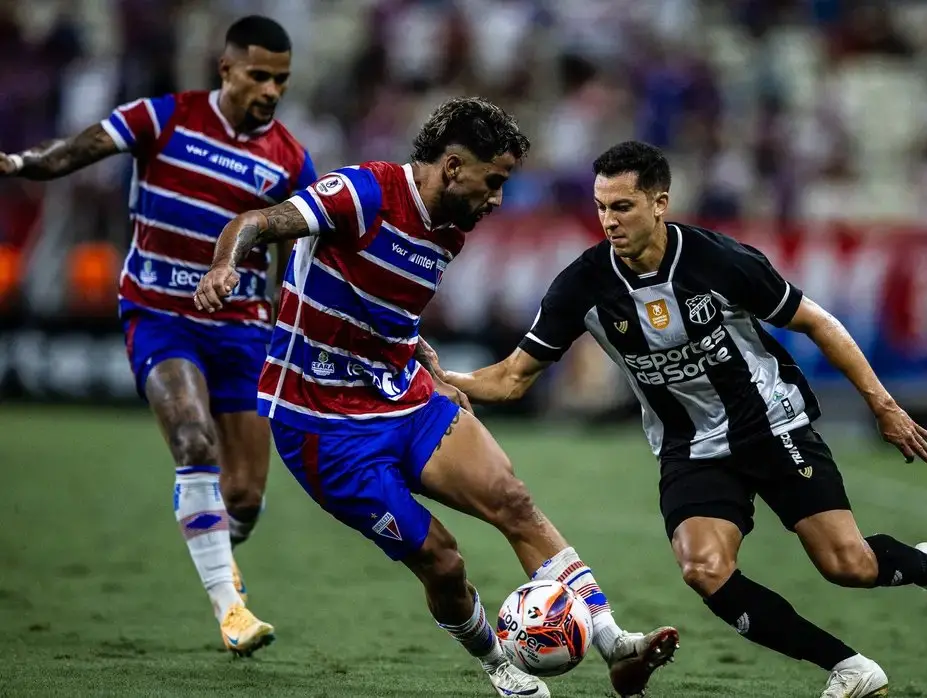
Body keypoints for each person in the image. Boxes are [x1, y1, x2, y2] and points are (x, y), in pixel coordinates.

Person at [442, 140, 927, 698]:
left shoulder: (719, 260)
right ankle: (848, 666)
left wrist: (884, 405)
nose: (609, 221)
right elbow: (512, 377)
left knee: (846, 564)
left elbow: (820, 323)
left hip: (770, 425)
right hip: (688, 445)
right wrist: (446, 381)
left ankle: (926, 566)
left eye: (623, 207)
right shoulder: (583, 285)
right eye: (602, 207)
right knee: (704, 569)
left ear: (660, 203)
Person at [193, 99, 676, 698]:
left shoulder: (451, 228)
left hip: (401, 394)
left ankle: (613, 645)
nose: (498, 199)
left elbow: (385, 306)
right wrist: (223, 268)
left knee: (513, 499)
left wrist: (426, 363)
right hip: (323, 427)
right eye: (493, 181)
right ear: (452, 168)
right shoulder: (361, 193)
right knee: (443, 561)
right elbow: (257, 223)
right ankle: (500, 664)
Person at [0, 16, 316, 655]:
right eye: (259, 75)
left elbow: (295, 262)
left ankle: (214, 546)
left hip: (242, 331)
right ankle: (231, 611)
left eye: (281, 79)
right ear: (225, 69)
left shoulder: (290, 158)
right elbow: (79, 149)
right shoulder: (163, 117)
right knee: (193, 440)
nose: (271, 90)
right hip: (160, 313)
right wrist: (23, 163)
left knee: (247, 498)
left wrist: (291, 330)